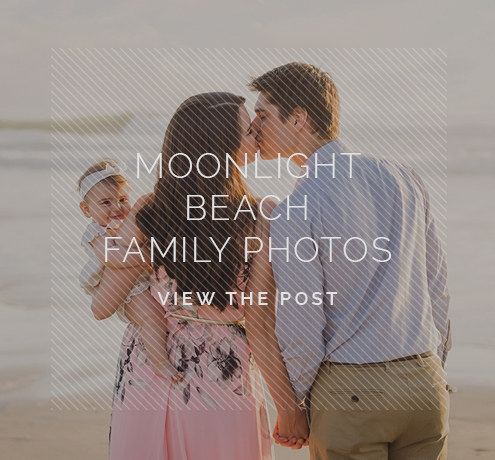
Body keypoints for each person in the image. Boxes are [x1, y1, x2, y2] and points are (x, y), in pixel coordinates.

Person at [248, 62, 452, 459]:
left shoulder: (295, 210)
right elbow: (437, 286)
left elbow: (302, 323)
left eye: (262, 115)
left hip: (352, 392)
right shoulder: (404, 177)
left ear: (298, 118)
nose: (255, 128)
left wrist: (298, 403)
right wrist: (433, 364)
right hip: (425, 381)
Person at [91, 92, 309, 460]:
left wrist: (139, 255)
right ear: (219, 147)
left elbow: (102, 306)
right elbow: (259, 324)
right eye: (248, 130)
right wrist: (289, 408)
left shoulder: (149, 210)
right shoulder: (259, 218)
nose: (257, 135)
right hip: (222, 375)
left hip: (148, 367)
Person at [77, 159, 183, 382]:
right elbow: (112, 258)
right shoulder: (97, 233)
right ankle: (161, 364)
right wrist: (150, 255)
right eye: (106, 202)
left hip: (141, 283)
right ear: (86, 210)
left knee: (160, 315)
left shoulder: (128, 227)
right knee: (152, 317)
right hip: (129, 293)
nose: (117, 207)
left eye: (123, 199)